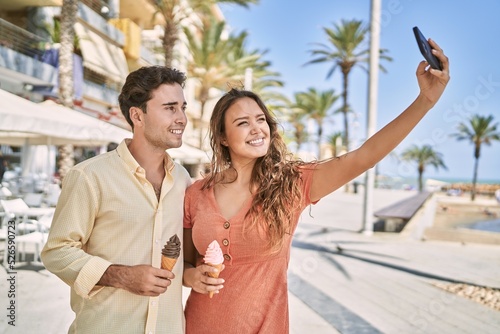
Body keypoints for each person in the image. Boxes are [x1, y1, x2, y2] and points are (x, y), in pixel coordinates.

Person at [182, 39, 450, 333]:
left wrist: (425, 101)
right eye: (243, 123)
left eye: (261, 119)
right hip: (199, 324)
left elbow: (364, 157)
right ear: (222, 137)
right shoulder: (195, 195)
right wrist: (192, 277)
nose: (257, 128)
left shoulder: (293, 184)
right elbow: (186, 266)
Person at [41, 66, 192, 334]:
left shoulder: (183, 180)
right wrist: (120, 275)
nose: (181, 118)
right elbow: (57, 251)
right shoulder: (89, 176)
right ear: (137, 115)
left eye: (183, 107)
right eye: (170, 108)